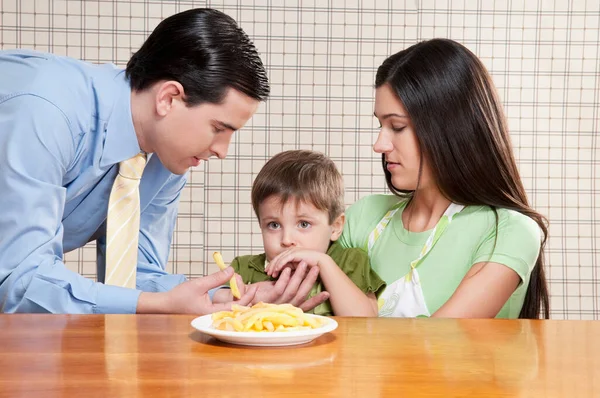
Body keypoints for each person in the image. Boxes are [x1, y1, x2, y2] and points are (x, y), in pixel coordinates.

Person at [0, 8, 328, 314]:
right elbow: (18, 281)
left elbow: (138, 277)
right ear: (168, 98)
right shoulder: (44, 113)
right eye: (218, 129)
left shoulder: (166, 159)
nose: (222, 151)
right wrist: (158, 305)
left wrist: (224, 296)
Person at [338, 38, 550, 319]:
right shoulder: (364, 217)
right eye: (381, 125)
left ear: (450, 128)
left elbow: (441, 344)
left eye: (397, 127)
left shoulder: (508, 231)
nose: (379, 145)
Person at [213, 150, 386, 316]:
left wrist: (324, 263)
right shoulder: (245, 268)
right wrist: (245, 296)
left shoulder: (349, 261)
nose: (287, 240)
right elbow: (208, 305)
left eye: (304, 224)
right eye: (273, 225)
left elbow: (365, 319)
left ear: (335, 227)